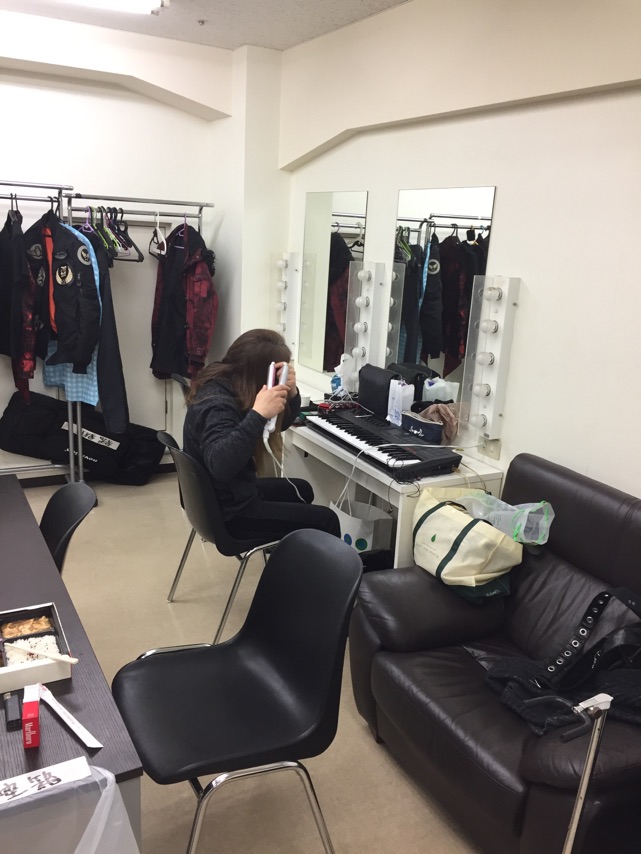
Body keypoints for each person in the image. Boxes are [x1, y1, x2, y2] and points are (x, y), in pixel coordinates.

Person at [183, 328, 341, 541]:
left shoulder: (229, 382)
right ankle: (305, 559)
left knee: (302, 490)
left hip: (225, 495)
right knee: (327, 520)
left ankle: (289, 552)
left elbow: (277, 426)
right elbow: (221, 465)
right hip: (231, 513)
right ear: (262, 374)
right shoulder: (218, 403)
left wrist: (291, 394)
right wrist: (258, 414)